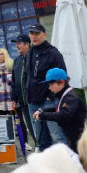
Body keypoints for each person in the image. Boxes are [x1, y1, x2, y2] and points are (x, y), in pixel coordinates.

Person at [26, 22, 66, 150]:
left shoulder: (53, 53)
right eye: (32, 33)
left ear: (44, 34)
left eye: (37, 33)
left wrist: (52, 96)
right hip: (33, 101)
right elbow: (28, 75)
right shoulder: (30, 52)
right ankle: (47, 167)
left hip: (49, 101)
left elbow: (62, 77)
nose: (34, 36)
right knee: (41, 139)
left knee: (57, 137)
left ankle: (66, 164)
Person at [34, 67, 86, 152]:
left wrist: (43, 115)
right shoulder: (65, 95)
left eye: (51, 84)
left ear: (61, 82)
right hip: (74, 138)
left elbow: (64, 115)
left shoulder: (70, 97)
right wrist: (43, 110)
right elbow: (59, 108)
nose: (49, 88)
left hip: (81, 139)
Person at [11, 34, 35, 151]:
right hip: (23, 101)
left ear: (27, 44)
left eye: (19, 43)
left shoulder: (34, 57)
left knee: (38, 125)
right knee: (30, 126)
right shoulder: (16, 61)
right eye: (16, 43)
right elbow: (14, 81)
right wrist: (14, 98)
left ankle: (42, 146)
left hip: (34, 99)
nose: (17, 46)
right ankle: (38, 146)